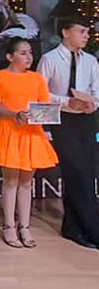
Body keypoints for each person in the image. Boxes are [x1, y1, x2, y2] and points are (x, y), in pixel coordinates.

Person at [0, 37, 58, 248]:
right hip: (9, 130)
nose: (28, 57)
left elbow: (44, 105)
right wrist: (14, 114)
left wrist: (39, 115)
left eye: (30, 53)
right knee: (11, 181)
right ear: (10, 56)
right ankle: (8, 225)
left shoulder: (37, 79)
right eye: (23, 53)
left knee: (26, 182)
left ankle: (24, 226)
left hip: (32, 132)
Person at [36, 16, 99, 248]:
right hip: (62, 119)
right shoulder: (49, 59)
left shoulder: (90, 61)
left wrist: (92, 104)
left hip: (87, 119)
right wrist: (66, 102)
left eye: (87, 32)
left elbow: (96, 89)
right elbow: (40, 92)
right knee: (77, 171)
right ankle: (93, 229)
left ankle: (73, 227)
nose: (86, 36)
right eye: (81, 31)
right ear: (65, 32)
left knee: (85, 173)